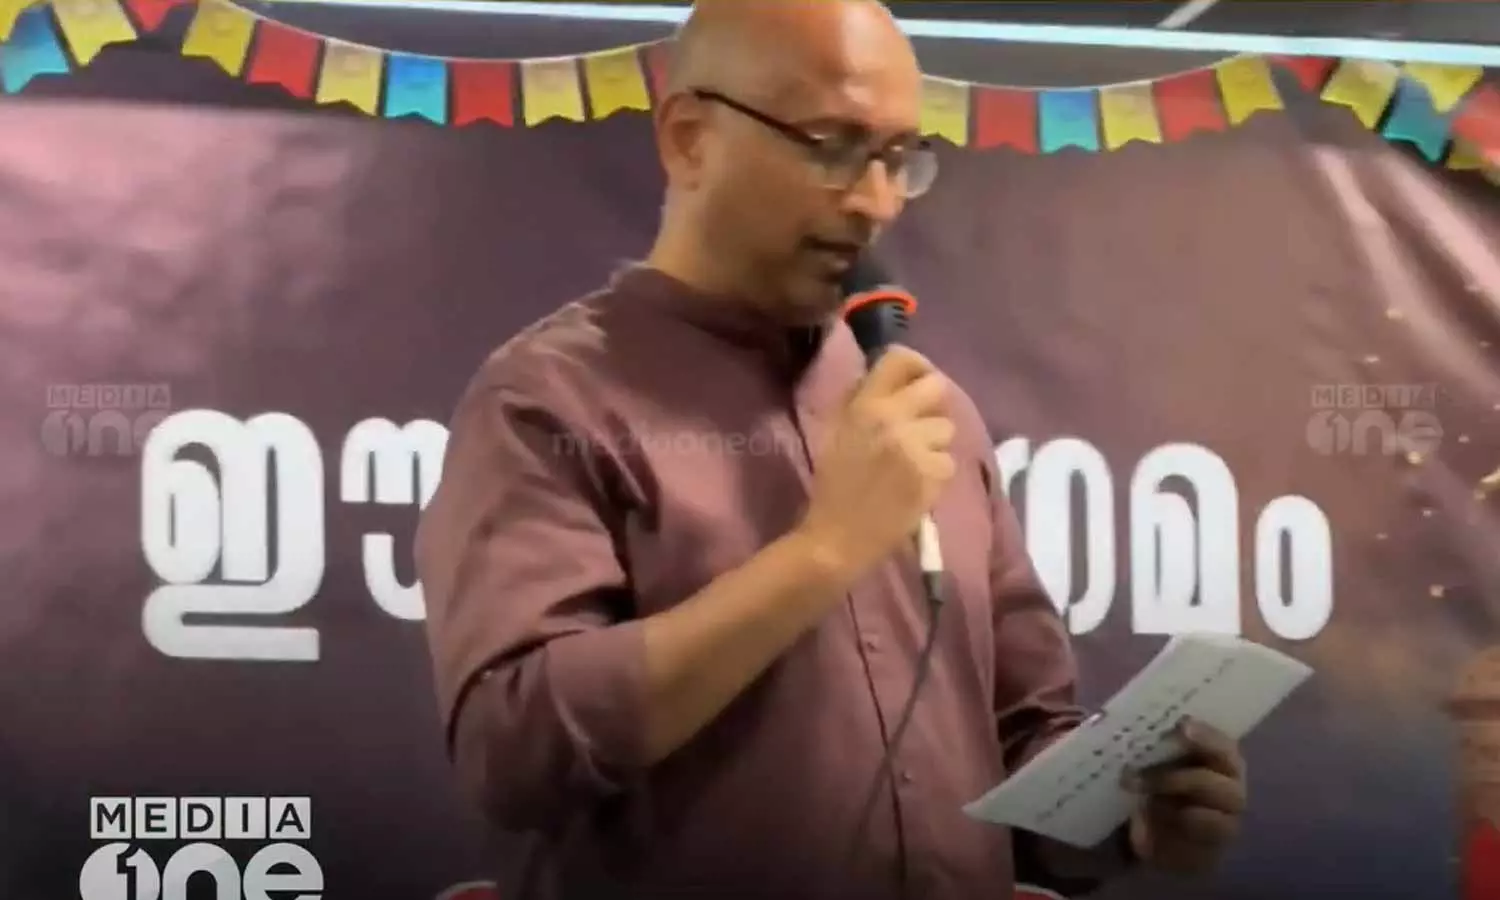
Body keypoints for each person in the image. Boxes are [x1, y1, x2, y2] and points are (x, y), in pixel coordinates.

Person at [416, 1, 1248, 897]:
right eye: (831, 147)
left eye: (899, 157)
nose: (875, 203)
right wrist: (824, 552)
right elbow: (516, 748)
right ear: (690, 138)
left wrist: (1124, 814)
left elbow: (1022, 751)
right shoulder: (548, 399)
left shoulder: (928, 414)